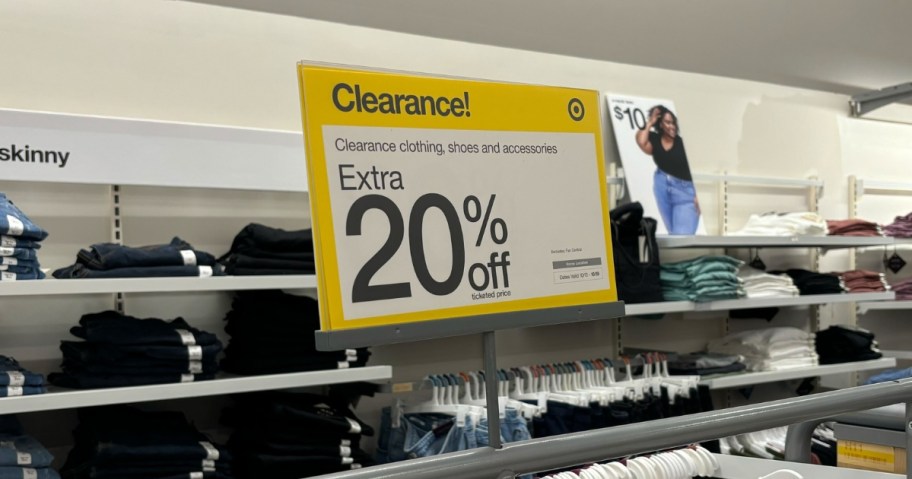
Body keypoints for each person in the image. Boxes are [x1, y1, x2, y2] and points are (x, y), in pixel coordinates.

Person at [635, 105, 700, 235]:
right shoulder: (655, 139)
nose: (672, 126)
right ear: (660, 124)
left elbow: (699, 167)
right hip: (661, 186)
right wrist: (650, 122)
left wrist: (699, 193)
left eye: (674, 122)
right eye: (668, 122)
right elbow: (641, 141)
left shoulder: (683, 144)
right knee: (673, 234)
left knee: (681, 236)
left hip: (685, 191)